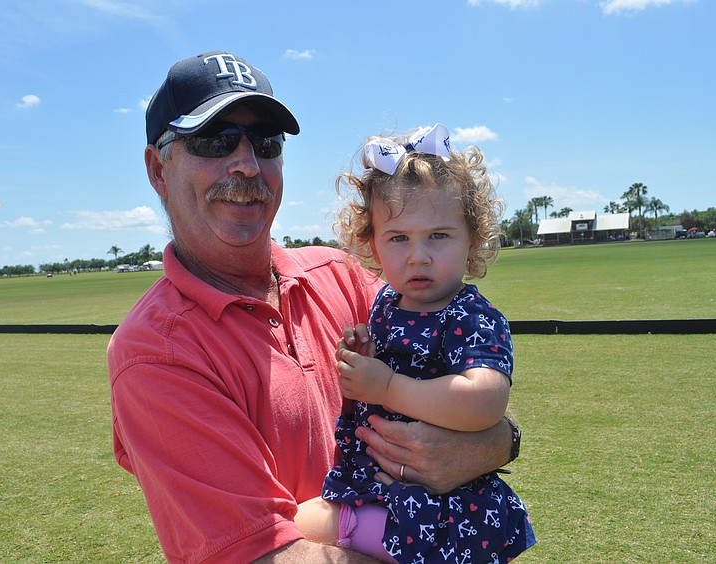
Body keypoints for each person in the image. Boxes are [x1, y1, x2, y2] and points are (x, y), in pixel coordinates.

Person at [108, 51, 519, 563]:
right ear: (157, 169)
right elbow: (260, 554)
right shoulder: (156, 352)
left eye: (265, 142)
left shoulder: (343, 277)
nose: (246, 162)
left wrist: (497, 441)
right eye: (213, 140)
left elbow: (460, 379)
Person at [296, 124, 535, 563]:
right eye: (399, 238)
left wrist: (387, 387)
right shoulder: (386, 301)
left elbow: (485, 400)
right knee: (304, 524)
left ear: (473, 241)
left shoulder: (468, 315)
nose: (418, 255)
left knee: (304, 525)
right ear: (373, 245)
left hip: (444, 507)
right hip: (381, 488)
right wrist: (366, 348)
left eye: (439, 236)